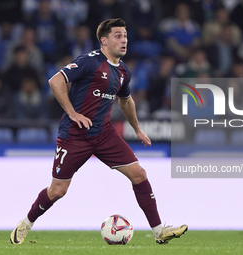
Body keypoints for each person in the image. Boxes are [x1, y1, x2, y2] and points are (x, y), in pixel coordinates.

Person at [10, 18, 187, 245]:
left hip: (104, 134)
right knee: (58, 190)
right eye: (117, 36)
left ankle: (159, 231)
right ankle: (27, 222)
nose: (123, 40)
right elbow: (55, 81)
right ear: (104, 41)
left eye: (125, 36)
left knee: (139, 174)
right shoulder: (89, 61)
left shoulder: (123, 71)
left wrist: (137, 129)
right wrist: (72, 113)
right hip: (74, 135)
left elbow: (126, 101)